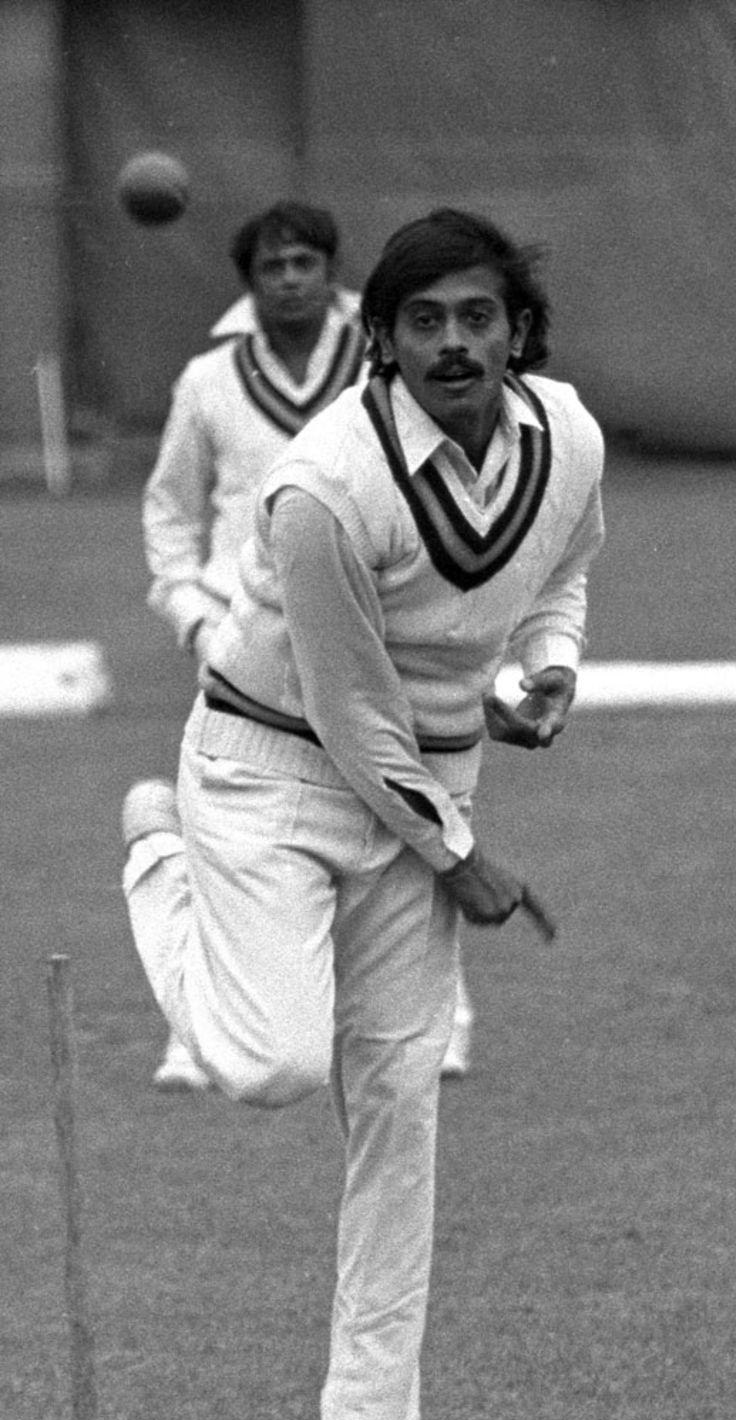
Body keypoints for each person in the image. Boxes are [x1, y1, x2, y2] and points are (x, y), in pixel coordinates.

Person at [119, 207, 605, 1420]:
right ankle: (159, 857)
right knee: (272, 1062)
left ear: (518, 329)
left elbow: (560, 573)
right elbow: (345, 708)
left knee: (399, 1111)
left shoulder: (571, 436)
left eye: (479, 316)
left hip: (428, 788)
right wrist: (462, 857)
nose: (456, 342)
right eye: (425, 321)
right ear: (381, 343)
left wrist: (545, 668)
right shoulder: (322, 484)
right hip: (271, 768)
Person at [140, 198, 475, 1086]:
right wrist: (189, 611)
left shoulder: (386, 367)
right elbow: (171, 511)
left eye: (304, 264)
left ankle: (439, 1018)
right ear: (248, 287)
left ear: (332, 273)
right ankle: (203, 1021)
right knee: (238, 825)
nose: (290, 280)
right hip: (240, 634)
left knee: (415, 799)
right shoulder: (208, 381)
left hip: (374, 624)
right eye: (271, 268)